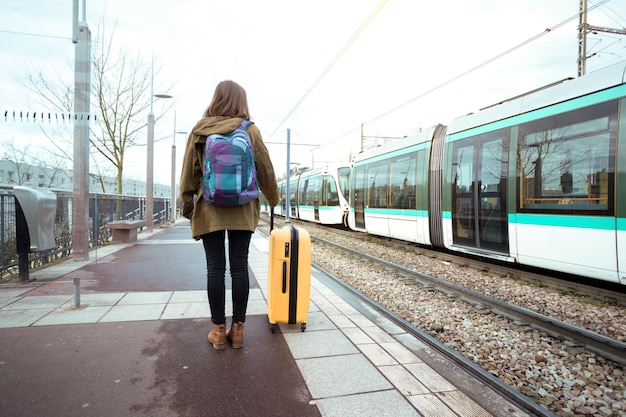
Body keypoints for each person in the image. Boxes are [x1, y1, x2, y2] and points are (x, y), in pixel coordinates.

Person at [179, 80, 279, 350]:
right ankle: (239, 331)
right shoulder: (250, 130)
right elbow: (265, 169)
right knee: (239, 267)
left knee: (215, 268)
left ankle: (218, 332)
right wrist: (273, 199)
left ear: (215, 99)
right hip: (243, 209)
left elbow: (189, 173)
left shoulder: (200, 130)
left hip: (210, 208)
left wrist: (188, 206)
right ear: (241, 102)